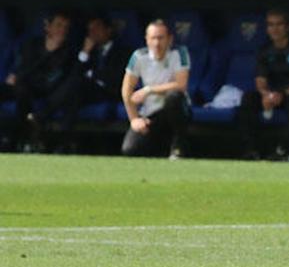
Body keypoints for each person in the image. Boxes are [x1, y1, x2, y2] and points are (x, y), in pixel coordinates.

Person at [29, 13, 130, 153]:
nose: (92, 33)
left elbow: (116, 77)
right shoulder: (89, 52)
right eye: (90, 30)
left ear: (108, 30)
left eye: (97, 28)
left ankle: (43, 116)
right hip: (85, 92)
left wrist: (92, 74)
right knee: (75, 93)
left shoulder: (123, 51)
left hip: (109, 92)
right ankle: (64, 141)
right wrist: (85, 52)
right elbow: (75, 73)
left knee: (77, 86)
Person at [237, 9, 289, 161]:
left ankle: (285, 149)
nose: (275, 29)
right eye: (271, 25)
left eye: (279, 25)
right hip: (271, 94)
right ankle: (252, 149)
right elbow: (260, 79)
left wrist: (283, 94)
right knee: (248, 100)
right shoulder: (264, 50)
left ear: (288, 27)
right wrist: (266, 94)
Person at [120, 19, 191, 159]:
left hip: (176, 110)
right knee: (130, 149)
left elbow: (181, 85)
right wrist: (134, 119)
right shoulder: (139, 56)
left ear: (169, 39)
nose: (157, 43)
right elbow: (126, 89)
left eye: (161, 38)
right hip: (150, 113)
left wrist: (148, 90)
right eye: (153, 38)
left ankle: (178, 147)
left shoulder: (180, 53)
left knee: (174, 97)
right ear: (147, 39)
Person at [10, 11, 75, 152]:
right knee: (20, 88)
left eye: (65, 27)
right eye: (58, 25)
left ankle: (37, 128)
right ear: (47, 26)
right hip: (30, 88)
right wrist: (48, 53)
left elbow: (62, 76)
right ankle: (21, 137)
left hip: (53, 91)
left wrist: (54, 52)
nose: (62, 30)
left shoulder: (69, 51)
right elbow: (24, 72)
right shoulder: (32, 45)